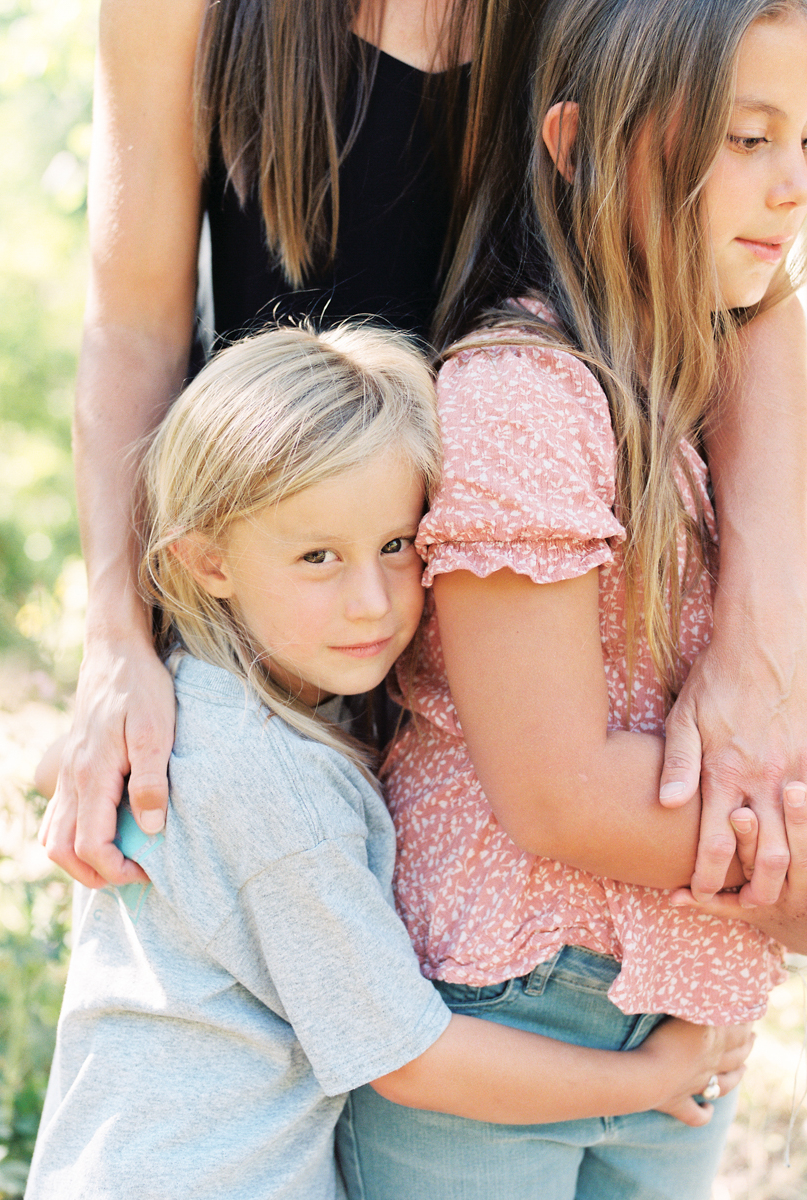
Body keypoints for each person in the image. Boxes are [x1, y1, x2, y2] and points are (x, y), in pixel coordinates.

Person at [42, 0, 807, 910]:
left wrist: (761, 643)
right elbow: (131, 326)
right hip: (283, 622)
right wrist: (117, 642)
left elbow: (750, 299)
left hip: (519, 654)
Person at [24, 324, 750, 1200]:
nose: (371, 601)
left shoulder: (202, 708)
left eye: (397, 547)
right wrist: (652, 1080)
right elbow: (407, 1059)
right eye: (317, 557)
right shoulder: (271, 781)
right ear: (205, 559)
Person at [336, 2, 807, 1197]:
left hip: (686, 1015)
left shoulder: (722, 408)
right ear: (578, 142)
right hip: (510, 1004)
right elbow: (553, 794)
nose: (788, 185)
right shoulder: (524, 395)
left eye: (805, 144)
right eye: (745, 139)